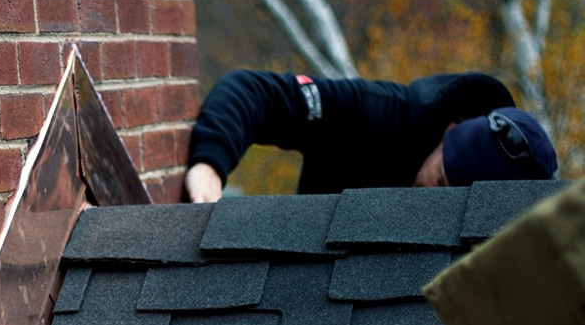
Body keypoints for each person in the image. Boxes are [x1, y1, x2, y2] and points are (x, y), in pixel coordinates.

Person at [184, 70, 558, 203]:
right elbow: (257, 92)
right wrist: (210, 164)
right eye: (441, 181)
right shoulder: (376, 112)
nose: (435, 199)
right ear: (450, 131)